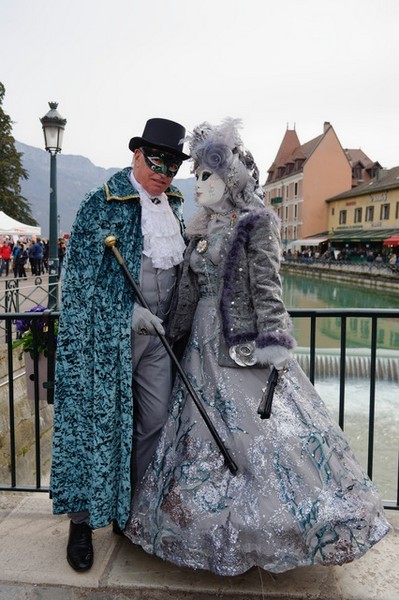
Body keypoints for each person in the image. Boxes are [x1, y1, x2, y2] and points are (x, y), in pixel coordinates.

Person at [124, 119, 390, 576]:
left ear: (231, 179)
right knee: (197, 441)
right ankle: (197, 532)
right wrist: (162, 327)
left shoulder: (256, 224)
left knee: (261, 443)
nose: (198, 184)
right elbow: (186, 293)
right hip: (197, 352)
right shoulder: (198, 228)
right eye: (198, 176)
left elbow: (267, 289)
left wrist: (274, 345)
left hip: (240, 348)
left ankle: (274, 532)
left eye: (207, 176)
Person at [50, 118, 189, 572]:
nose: (163, 171)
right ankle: (82, 522)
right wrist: (127, 315)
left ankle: (133, 513)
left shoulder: (176, 208)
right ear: (137, 155)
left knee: (153, 421)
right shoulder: (100, 205)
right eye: (156, 160)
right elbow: (79, 287)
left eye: (172, 163)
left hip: (159, 340)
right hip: (107, 344)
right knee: (97, 425)